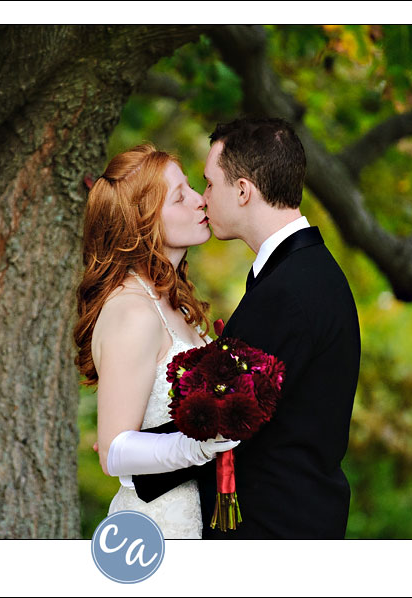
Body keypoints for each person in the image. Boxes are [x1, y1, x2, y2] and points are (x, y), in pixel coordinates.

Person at [132, 117, 361, 539]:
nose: (203, 199)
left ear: (242, 191)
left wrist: (131, 457)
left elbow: (227, 414)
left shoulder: (292, 288)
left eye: (209, 184)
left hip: (275, 530)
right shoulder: (301, 273)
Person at [74, 144, 239, 539]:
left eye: (192, 188)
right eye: (181, 197)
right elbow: (113, 451)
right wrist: (199, 446)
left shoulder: (175, 305)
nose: (201, 200)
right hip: (157, 526)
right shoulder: (132, 311)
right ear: (142, 223)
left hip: (199, 512)